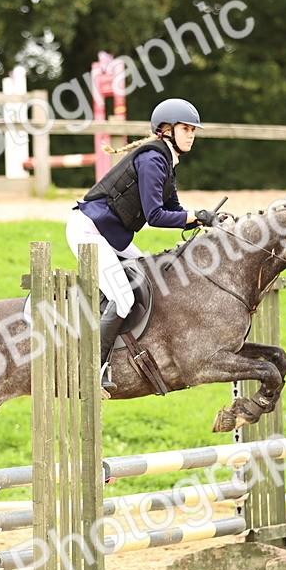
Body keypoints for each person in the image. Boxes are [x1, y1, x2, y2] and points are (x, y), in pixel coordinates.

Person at [66, 98, 207, 392]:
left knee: (150, 276)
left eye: (193, 130)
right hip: (89, 231)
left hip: (110, 236)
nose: (191, 134)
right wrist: (194, 216)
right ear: (166, 130)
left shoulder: (166, 162)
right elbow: (155, 216)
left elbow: (175, 209)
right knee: (125, 297)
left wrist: (202, 219)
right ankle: (91, 368)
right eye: (185, 128)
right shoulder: (153, 160)